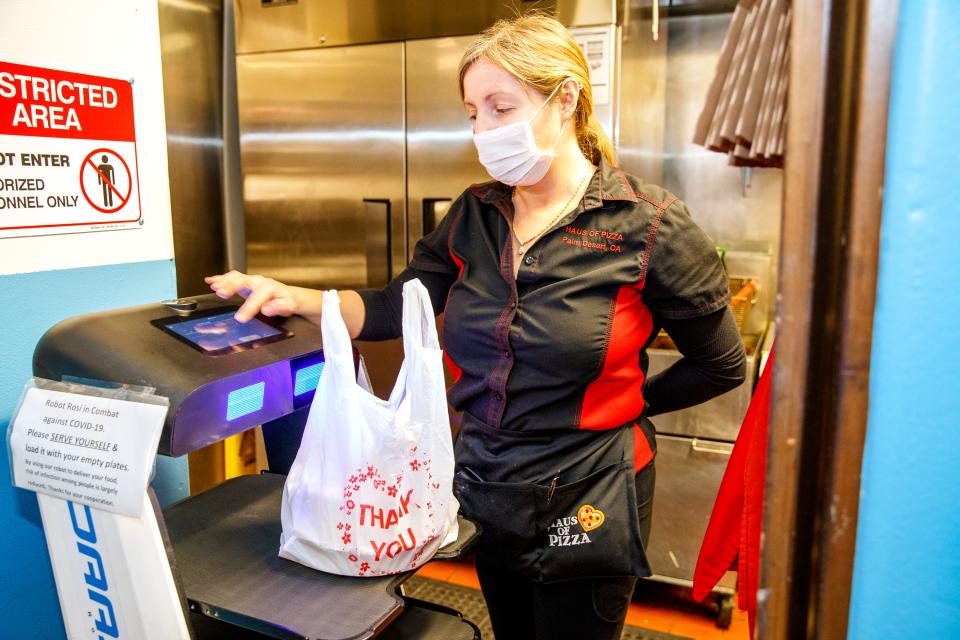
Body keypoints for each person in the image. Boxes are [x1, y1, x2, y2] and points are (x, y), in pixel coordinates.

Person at [206, 14, 746, 640]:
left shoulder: (644, 225)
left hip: (587, 492)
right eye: (472, 113)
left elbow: (722, 365)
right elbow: (390, 310)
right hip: (485, 479)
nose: (483, 129)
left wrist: (624, 403)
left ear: (564, 97)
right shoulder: (474, 215)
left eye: (500, 106)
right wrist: (291, 296)